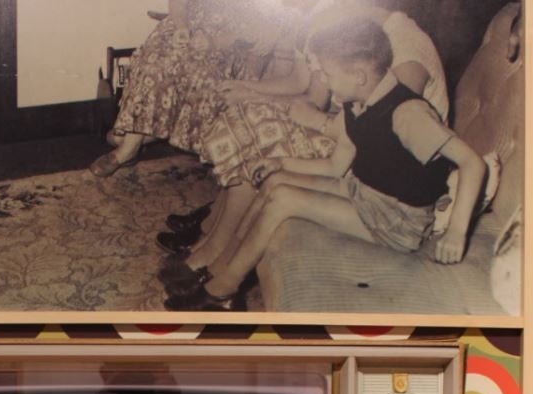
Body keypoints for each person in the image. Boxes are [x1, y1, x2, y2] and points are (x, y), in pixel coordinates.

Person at [163, 16, 485, 311]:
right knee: (276, 184)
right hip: (364, 191)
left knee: (284, 200)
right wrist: (278, 162)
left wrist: (456, 233)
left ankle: (223, 288)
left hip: (396, 221)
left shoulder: (407, 114)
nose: (326, 84)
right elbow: (335, 165)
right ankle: (219, 266)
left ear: (358, 75)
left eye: (328, 75)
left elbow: (472, 163)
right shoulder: (356, 104)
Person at [90, 0, 298, 176]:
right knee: (154, 64)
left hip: (228, 43)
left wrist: (214, 42)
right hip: (188, 27)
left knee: (199, 75)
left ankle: (130, 145)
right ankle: (135, 141)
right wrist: (182, 27)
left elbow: (260, 29)